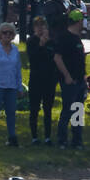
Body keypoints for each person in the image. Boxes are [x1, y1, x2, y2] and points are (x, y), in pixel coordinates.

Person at [54, 9, 89, 150]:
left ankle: (77, 140)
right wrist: (67, 76)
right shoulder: (64, 37)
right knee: (67, 110)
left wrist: (84, 77)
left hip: (80, 80)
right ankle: (62, 139)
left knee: (78, 110)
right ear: (78, 21)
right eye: (82, 20)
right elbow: (57, 58)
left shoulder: (77, 38)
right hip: (70, 81)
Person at [24, 15, 58, 146]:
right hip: (36, 78)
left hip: (49, 79)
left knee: (48, 109)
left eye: (42, 26)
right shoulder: (31, 41)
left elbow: (54, 59)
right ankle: (34, 137)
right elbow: (33, 58)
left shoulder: (52, 42)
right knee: (34, 108)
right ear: (33, 28)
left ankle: (48, 136)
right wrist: (41, 44)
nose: (40, 28)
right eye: (37, 26)